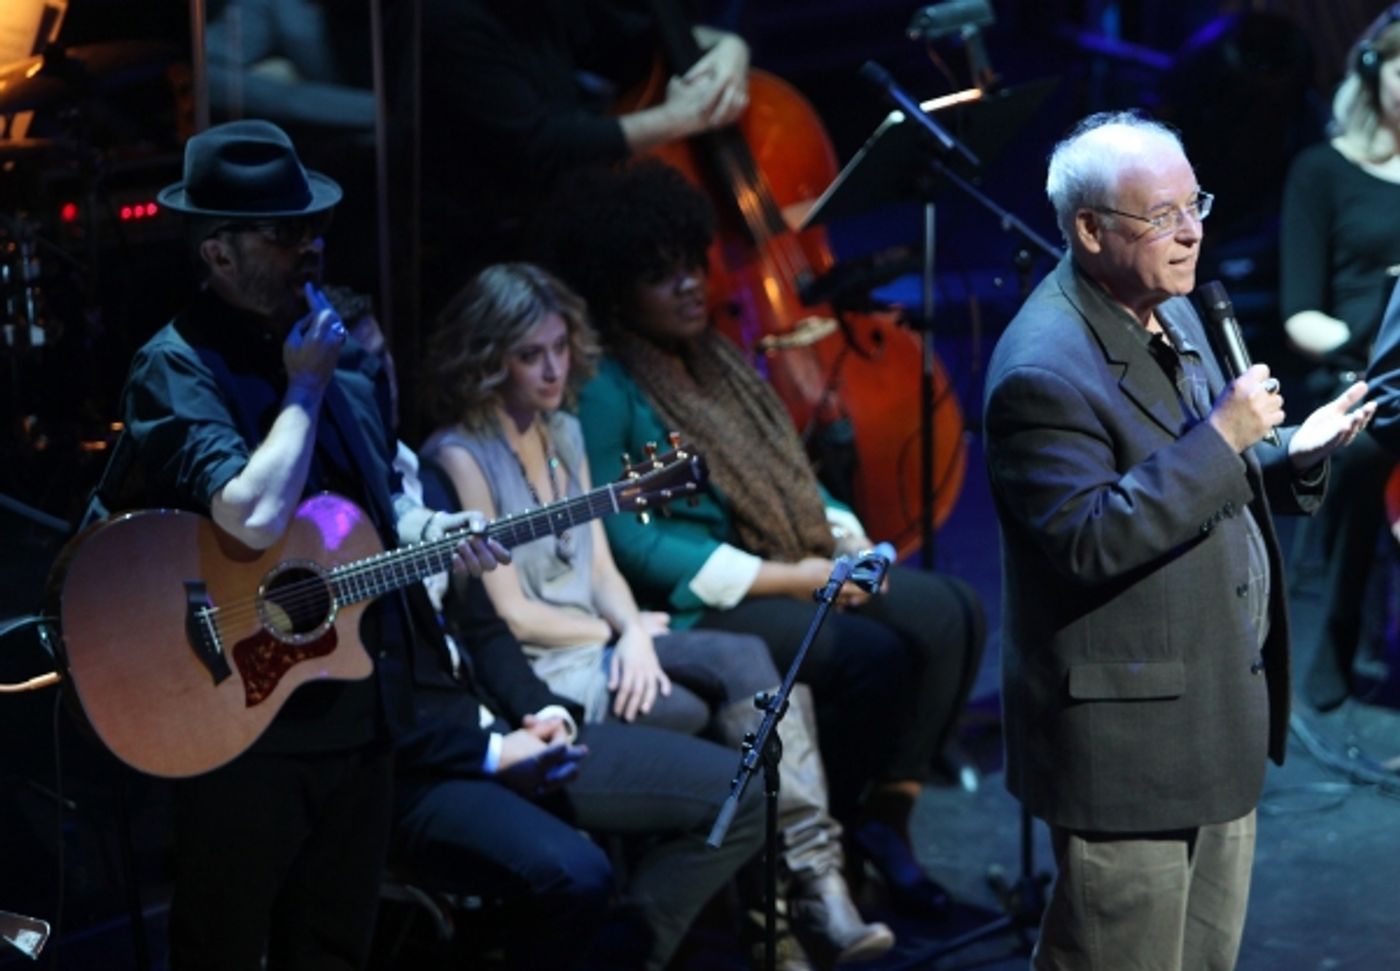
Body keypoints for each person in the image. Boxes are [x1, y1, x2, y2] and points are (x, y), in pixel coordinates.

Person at [95, 120, 506, 969]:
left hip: (357, 708)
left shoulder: (342, 362)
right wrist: (304, 385)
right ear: (218, 252)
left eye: (313, 227)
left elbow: (352, 523)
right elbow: (250, 514)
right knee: (224, 946)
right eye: (286, 234)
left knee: (333, 949)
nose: (311, 247)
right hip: (238, 719)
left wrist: (431, 536)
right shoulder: (179, 366)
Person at [416, 261, 894, 966]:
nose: (551, 370)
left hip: (610, 643)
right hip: (547, 667)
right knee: (723, 720)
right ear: (488, 360)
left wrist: (634, 627)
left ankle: (807, 885)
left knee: (747, 665)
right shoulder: (460, 455)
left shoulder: (563, 431)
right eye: (529, 355)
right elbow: (510, 615)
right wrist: (622, 633)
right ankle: (767, 909)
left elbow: (602, 567)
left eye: (558, 348)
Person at [983, 111, 1373, 970]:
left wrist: (1288, 451)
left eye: (1192, 201)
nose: (1191, 229)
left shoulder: (1174, 305)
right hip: (1128, 752)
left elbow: (1210, 473)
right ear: (1089, 229)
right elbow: (1087, 538)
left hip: (1213, 718)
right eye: (1160, 215)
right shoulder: (1041, 370)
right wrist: (1227, 438)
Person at [550, 160, 987, 916]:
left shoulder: (717, 356)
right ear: (617, 288)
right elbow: (626, 544)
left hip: (789, 562)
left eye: (692, 264)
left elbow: (784, 464)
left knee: (952, 612)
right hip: (692, 602)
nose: (690, 284)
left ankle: (887, 823)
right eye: (661, 275)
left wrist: (842, 536)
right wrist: (797, 577)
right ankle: (831, 845)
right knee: (867, 655)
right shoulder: (608, 387)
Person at [396, 0, 749, 315]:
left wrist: (730, 48)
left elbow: (637, 42)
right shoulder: (446, 17)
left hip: (559, 232)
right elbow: (540, 148)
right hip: (489, 264)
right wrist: (678, 119)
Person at [1280, 4, 1400, 713]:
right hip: (1359, 363)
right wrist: (1372, 332)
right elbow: (1301, 318)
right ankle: (1338, 634)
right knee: (1361, 448)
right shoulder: (1323, 170)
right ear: (1372, 72)